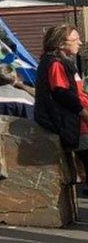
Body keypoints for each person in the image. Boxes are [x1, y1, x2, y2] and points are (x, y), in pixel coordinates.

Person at [34, 24, 88, 179]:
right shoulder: (55, 63)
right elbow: (62, 93)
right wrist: (84, 113)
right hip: (77, 125)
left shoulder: (63, 62)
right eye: (75, 39)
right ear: (61, 43)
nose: (80, 43)